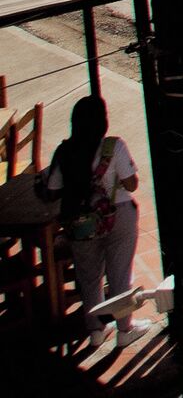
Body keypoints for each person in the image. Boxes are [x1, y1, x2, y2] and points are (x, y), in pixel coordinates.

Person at [50, 98, 139, 321]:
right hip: (118, 215)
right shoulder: (113, 146)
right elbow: (132, 185)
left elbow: (53, 190)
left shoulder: (64, 152)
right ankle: (125, 327)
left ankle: (95, 330)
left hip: (80, 222)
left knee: (89, 277)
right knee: (120, 274)